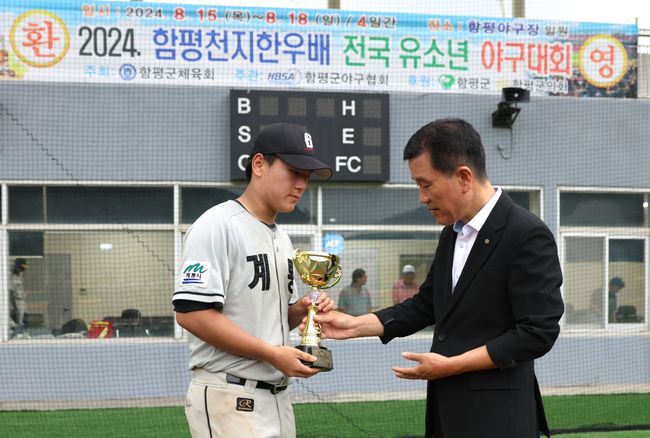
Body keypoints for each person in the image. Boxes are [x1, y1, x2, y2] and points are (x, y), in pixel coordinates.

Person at [309, 118, 564, 438]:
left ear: (463, 177)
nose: (422, 197)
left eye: (425, 184)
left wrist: (451, 365)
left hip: (498, 419)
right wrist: (354, 325)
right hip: (447, 415)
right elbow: (426, 304)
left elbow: (536, 333)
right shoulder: (452, 234)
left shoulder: (525, 234)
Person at [172, 122, 335, 438]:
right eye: (293, 171)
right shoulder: (218, 225)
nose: (301, 183)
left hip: (277, 396)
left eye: (306, 175)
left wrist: (301, 311)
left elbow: (263, 321)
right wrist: (273, 354)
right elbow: (192, 314)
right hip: (228, 394)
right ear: (259, 164)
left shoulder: (282, 239)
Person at [9, 258, 29, 335]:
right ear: (18, 267)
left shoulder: (19, 277)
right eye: (22, 267)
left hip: (21, 302)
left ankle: (19, 334)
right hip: (16, 302)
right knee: (16, 323)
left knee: (21, 323)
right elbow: (10, 292)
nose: (24, 269)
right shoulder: (13, 277)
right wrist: (14, 307)